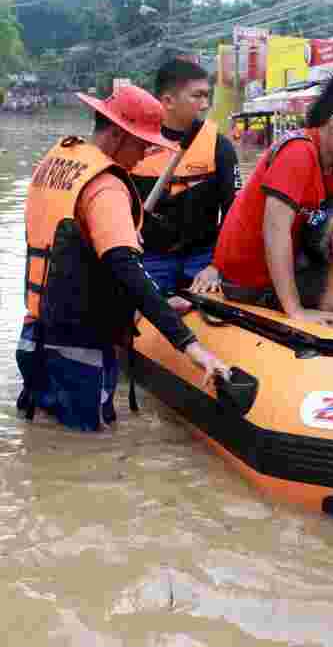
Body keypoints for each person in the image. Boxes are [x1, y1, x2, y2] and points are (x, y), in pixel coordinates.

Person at [16, 86, 231, 432]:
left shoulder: (56, 163)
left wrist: (151, 302)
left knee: (44, 437)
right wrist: (192, 348)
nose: (146, 155)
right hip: (80, 349)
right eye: (142, 143)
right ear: (116, 134)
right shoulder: (106, 186)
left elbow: (69, 257)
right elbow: (126, 269)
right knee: (89, 450)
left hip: (35, 335)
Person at [207, 71, 333, 327]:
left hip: (289, 270)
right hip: (248, 282)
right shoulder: (298, 152)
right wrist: (295, 311)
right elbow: (275, 230)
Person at [130, 59, 241, 295]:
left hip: (203, 259)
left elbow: (235, 214)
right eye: (197, 96)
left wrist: (217, 265)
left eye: (207, 96)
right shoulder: (135, 146)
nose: (205, 104)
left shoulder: (220, 147)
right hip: (150, 258)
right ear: (168, 101)